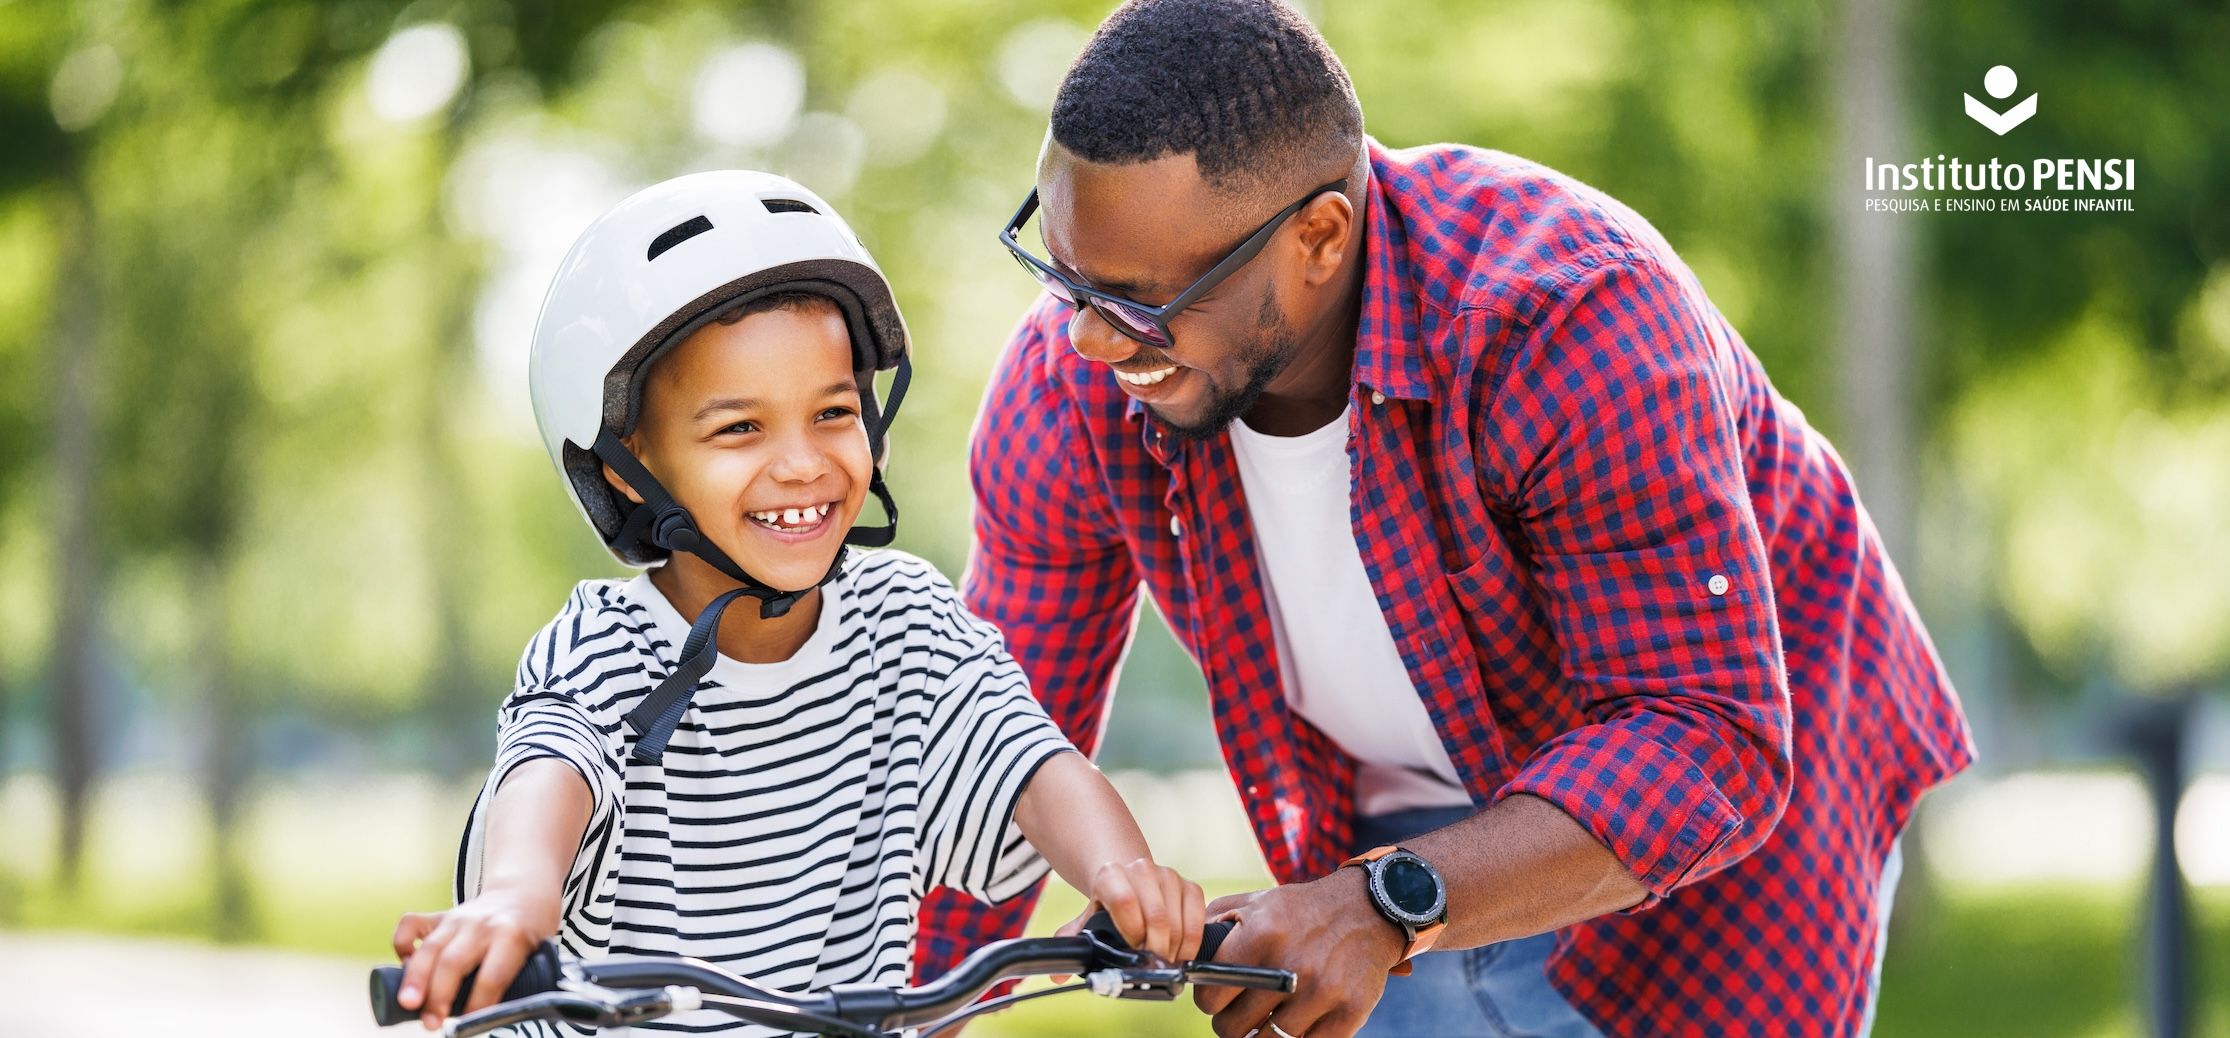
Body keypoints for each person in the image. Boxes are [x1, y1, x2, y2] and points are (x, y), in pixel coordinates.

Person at [919, 1, 1973, 1036]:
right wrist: (909, 1011)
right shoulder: (1068, 386)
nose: (1091, 343)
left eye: (1140, 305)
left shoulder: (1569, 317)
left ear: (1320, 238)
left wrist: (1380, 907)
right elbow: (1001, 749)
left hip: (1713, 818)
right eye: (1062, 277)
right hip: (1391, 818)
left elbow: (1702, 739)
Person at [387, 170, 1206, 1034]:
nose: (803, 463)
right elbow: (552, 768)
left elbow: (1033, 765)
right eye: (740, 428)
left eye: (832, 412)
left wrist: (1124, 877)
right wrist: (514, 898)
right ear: (628, 467)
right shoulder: (603, 646)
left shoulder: (907, 627)